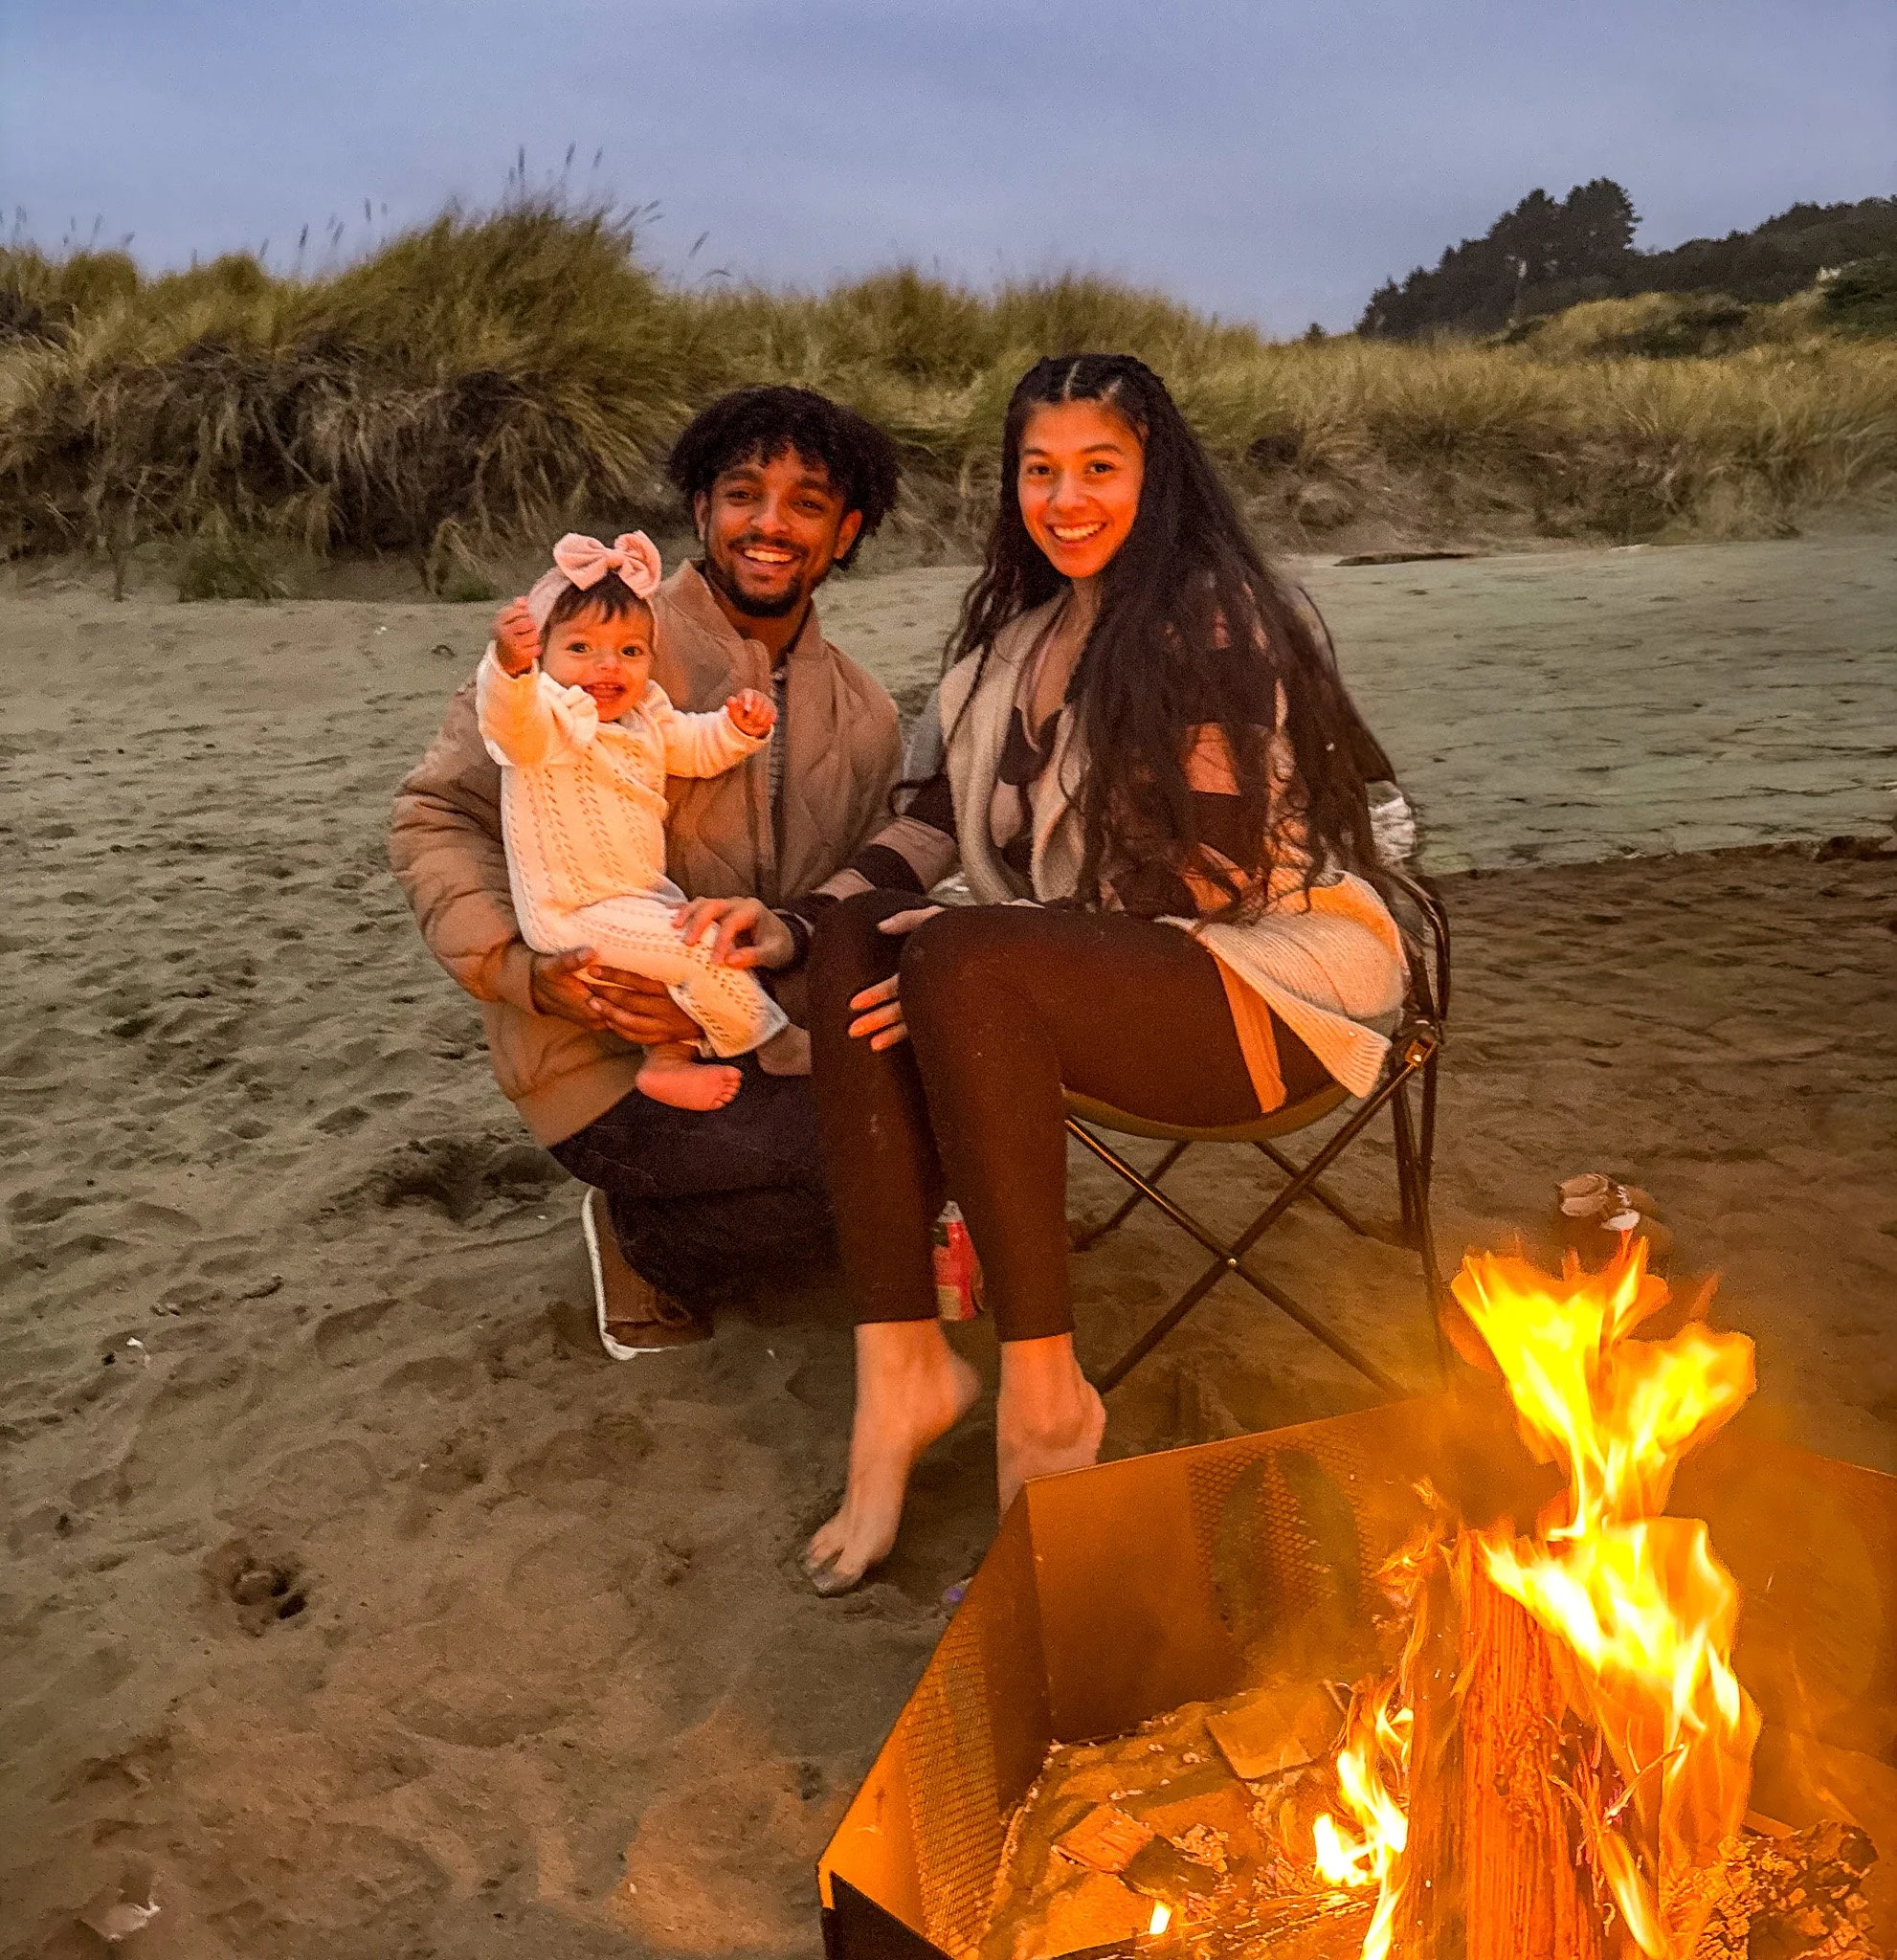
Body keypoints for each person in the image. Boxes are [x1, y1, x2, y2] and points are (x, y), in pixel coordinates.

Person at [675, 354, 1410, 1592]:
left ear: (1154, 475)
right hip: (1069, 980)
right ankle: (902, 1370)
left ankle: (1043, 1395)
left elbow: (1212, 876)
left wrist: (985, 939)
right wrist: (794, 929)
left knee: (957, 950)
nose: (1065, 500)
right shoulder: (1005, 652)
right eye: (1039, 471)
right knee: (866, 936)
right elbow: (922, 832)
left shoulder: (1211, 626)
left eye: (1097, 468)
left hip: (1264, 993)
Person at [390, 387, 903, 1352]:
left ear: (845, 532)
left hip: (753, 1031)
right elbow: (436, 815)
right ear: (702, 508)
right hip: (600, 1062)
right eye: (742, 493)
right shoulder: (588, 638)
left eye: (806, 503)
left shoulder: (866, 714)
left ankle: (721, 1200)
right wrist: (525, 972)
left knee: (917, 1140)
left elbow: (850, 896)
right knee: (856, 1161)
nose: (769, 523)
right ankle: (642, 1240)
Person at [478, 528, 810, 1114]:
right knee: (701, 949)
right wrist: (507, 669)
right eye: (581, 648)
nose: (607, 666)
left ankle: (667, 1062)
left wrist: (738, 729)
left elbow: (695, 748)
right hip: (572, 912)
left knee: (688, 954)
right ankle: (775, 1043)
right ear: (542, 656)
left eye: (630, 651)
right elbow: (509, 724)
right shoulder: (548, 719)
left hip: (638, 896)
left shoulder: (646, 717)